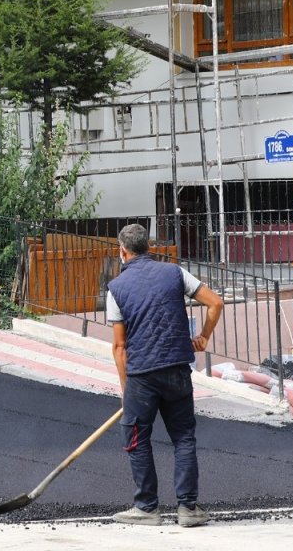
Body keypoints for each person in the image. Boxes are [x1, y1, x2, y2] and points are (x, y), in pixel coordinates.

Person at [106, 224, 223, 528]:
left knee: (135, 438)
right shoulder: (174, 273)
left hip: (142, 375)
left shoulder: (116, 288)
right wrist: (203, 337)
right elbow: (215, 303)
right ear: (148, 246)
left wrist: (126, 390)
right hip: (177, 369)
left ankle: (146, 508)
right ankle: (188, 509)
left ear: (122, 251)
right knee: (183, 436)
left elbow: (119, 347)